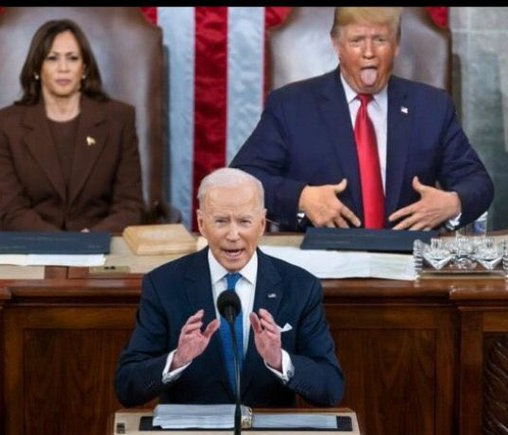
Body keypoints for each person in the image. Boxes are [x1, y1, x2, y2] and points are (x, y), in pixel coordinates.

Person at [231, 7, 494, 232]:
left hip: (407, 263)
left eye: (380, 39)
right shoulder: (290, 105)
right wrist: (301, 198)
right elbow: (242, 179)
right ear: (336, 46)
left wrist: (452, 203)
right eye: (357, 41)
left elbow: (477, 182)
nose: (369, 52)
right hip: (321, 261)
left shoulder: (432, 107)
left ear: (396, 45)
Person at [115, 167, 344, 408]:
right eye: (221, 221)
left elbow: (330, 389)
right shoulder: (163, 285)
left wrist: (280, 361)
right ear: (202, 224)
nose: (233, 235)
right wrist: (177, 359)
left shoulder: (300, 287)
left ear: (261, 224)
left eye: (244, 221)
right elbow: (127, 387)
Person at [0, 19, 144, 232]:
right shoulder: (4, 125)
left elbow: (129, 205)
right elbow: (13, 209)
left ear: (84, 68)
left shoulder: (119, 119)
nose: (63, 68)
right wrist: (62, 244)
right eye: (52, 58)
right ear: (37, 68)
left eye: (72, 58)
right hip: (33, 245)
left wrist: (92, 238)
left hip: (101, 245)